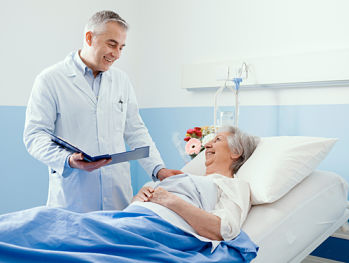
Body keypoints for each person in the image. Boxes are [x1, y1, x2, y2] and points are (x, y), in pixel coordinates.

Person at [0, 126, 259, 262]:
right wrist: (140, 199)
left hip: (160, 231)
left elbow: (224, 229)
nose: (209, 144)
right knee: (49, 222)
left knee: (47, 227)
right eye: (210, 140)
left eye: (218, 140)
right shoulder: (187, 177)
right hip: (129, 221)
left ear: (236, 153)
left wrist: (171, 200)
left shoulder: (235, 185)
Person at [23, 10, 181, 213]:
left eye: (121, 47)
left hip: (117, 192)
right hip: (74, 196)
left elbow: (136, 131)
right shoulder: (50, 79)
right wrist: (68, 160)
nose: (116, 54)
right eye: (111, 44)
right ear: (89, 38)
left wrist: (158, 169)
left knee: (116, 242)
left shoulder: (121, 80)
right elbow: (35, 135)